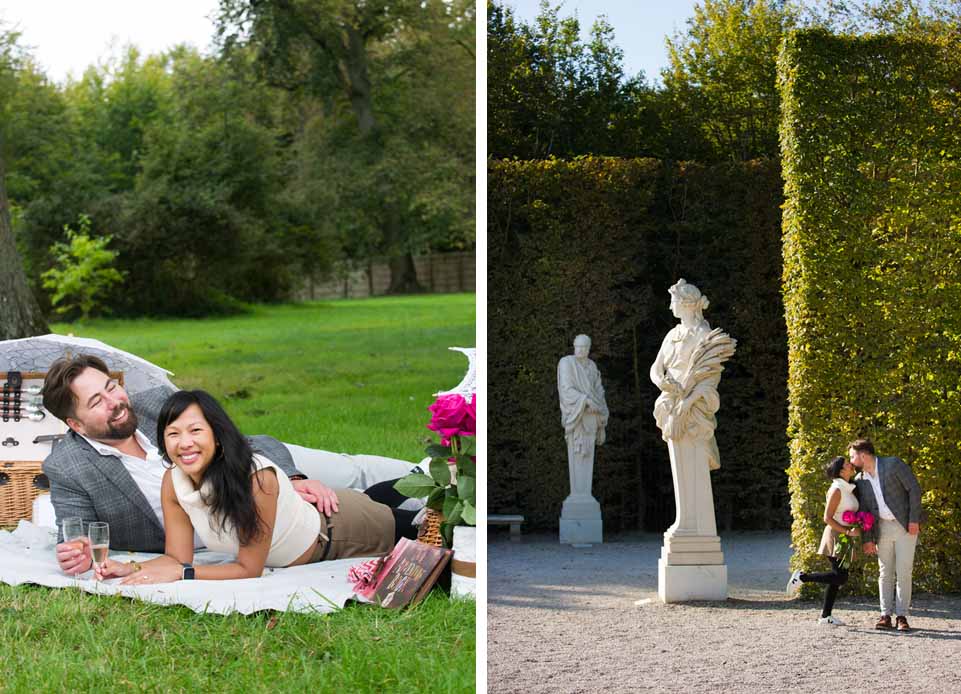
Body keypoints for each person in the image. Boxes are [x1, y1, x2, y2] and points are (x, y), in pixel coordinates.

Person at [41, 354, 417, 574]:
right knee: (367, 508)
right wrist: (77, 551)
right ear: (75, 425)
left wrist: (293, 478)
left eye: (111, 386)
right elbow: (74, 531)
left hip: (266, 474)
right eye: (96, 402)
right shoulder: (69, 465)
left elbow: (248, 444)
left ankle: (427, 473)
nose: (116, 401)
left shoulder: (156, 404)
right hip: (253, 524)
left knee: (354, 474)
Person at [93, 390, 416, 583]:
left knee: (430, 528)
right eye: (173, 433)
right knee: (376, 498)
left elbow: (249, 568)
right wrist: (129, 567)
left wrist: (185, 574)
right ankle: (423, 474)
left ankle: (435, 473)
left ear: (217, 435)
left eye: (195, 430)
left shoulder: (256, 479)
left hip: (342, 532)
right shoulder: (172, 481)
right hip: (325, 512)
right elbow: (177, 557)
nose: (184, 443)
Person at [849, 438, 923, 632]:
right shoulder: (860, 480)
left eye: (852, 456)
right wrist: (868, 539)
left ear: (862, 455)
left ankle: (902, 616)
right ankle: (885, 615)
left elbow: (914, 489)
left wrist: (914, 520)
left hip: (904, 526)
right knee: (885, 572)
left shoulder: (893, 464)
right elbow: (864, 511)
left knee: (904, 571)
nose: (850, 460)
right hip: (881, 529)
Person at [786, 456, 860, 626]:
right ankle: (803, 577)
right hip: (836, 536)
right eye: (848, 464)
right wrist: (848, 530)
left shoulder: (849, 488)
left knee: (837, 577)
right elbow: (827, 518)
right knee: (839, 577)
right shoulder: (837, 489)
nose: (851, 464)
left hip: (845, 537)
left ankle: (826, 616)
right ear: (841, 470)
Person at [556, 334, 608, 498]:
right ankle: (578, 495)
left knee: (587, 455)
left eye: (584, 347)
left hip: (592, 417)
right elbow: (566, 389)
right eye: (578, 347)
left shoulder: (592, 366)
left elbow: (599, 390)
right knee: (578, 454)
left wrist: (601, 411)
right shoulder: (566, 363)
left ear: (589, 348)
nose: (580, 350)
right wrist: (585, 401)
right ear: (574, 346)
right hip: (576, 415)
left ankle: (584, 496)